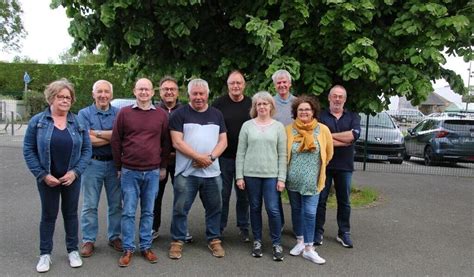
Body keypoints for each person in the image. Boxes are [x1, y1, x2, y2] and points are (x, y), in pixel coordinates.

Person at [23, 79, 92, 273]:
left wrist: (75, 172)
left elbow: (87, 150)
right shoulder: (38, 122)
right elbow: (29, 149)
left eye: (68, 97)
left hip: (71, 178)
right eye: (60, 97)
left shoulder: (78, 121)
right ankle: (45, 255)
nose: (64, 100)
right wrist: (42, 174)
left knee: (71, 214)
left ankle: (73, 250)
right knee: (48, 215)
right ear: (51, 98)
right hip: (48, 179)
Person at [111, 78, 171, 267]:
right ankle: (128, 248)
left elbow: (165, 143)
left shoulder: (161, 115)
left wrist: (162, 166)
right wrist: (119, 167)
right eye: (140, 89)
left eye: (147, 89)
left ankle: (146, 246)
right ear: (134, 91)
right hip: (129, 171)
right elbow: (116, 141)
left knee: (148, 212)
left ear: (152, 92)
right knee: (128, 211)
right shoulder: (124, 113)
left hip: (152, 172)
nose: (144, 92)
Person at [168, 78, 227, 260]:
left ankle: (214, 239)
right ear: (189, 95)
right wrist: (198, 157)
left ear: (207, 94)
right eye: (195, 94)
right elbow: (176, 142)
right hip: (187, 172)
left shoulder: (217, 114)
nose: (198, 97)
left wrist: (209, 158)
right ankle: (177, 241)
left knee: (215, 208)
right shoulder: (179, 114)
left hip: (212, 172)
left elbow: (223, 141)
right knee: (180, 208)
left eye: (202, 94)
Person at [235, 91, 287, 261]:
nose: (262, 106)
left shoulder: (278, 127)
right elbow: (240, 153)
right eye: (259, 104)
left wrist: (281, 178)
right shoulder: (247, 126)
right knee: (255, 208)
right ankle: (257, 241)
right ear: (255, 107)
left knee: (273, 209)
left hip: (272, 176)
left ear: (271, 106)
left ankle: (276, 243)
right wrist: (239, 176)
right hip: (251, 175)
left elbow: (282, 155)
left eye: (266, 103)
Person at [285, 96, 333, 264]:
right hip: (293, 179)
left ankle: (309, 248)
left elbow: (329, 152)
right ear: (295, 112)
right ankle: (299, 241)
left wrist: (318, 168)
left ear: (313, 111)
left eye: (307, 109)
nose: (304, 112)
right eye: (300, 109)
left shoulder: (323, 130)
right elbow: (284, 152)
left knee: (310, 212)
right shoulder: (289, 130)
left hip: (313, 180)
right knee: (296, 210)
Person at [78, 80, 122, 258]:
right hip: (91, 164)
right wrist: (112, 136)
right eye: (99, 92)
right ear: (93, 94)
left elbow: (122, 137)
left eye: (106, 92)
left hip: (114, 164)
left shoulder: (120, 114)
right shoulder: (83, 113)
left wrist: (95, 132)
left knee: (116, 204)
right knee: (89, 205)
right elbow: (85, 140)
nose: (103, 95)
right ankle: (88, 240)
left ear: (111, 95)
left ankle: (115, 236)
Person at [315, 85, 361, 248]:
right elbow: (318, 138)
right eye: (334, 96)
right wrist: (343, 139)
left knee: (345, 201)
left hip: (345, 166)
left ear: (345, 99)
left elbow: (353, 136)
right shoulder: (320, 116)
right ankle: (318, 232)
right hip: (324, 164)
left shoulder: (353, 117)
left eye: (340, 96)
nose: (337, 99)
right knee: (321, 200)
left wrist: (328, 137)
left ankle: (344, 233)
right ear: (329, 98)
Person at [212, 70, 251, 242]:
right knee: (223, 194)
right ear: (228, 86)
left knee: (244, 195)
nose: (236, 86)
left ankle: (244, 227)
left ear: (244, 85)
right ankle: (219, 228)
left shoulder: (252, 104)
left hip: (247, 159)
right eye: (232, 83)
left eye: (239, 83)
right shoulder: (218, 104)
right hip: (224, 158)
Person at [151, 75, 188, 241]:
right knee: (155, 196)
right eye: (165, 89)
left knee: (182, 196)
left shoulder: (186, 111)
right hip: (158, 162)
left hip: (181, 161)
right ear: (160, 92)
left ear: (178, 92)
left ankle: (181, 230)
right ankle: (153, 228)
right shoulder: (153, 111)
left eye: (172, 89)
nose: (169, 92)